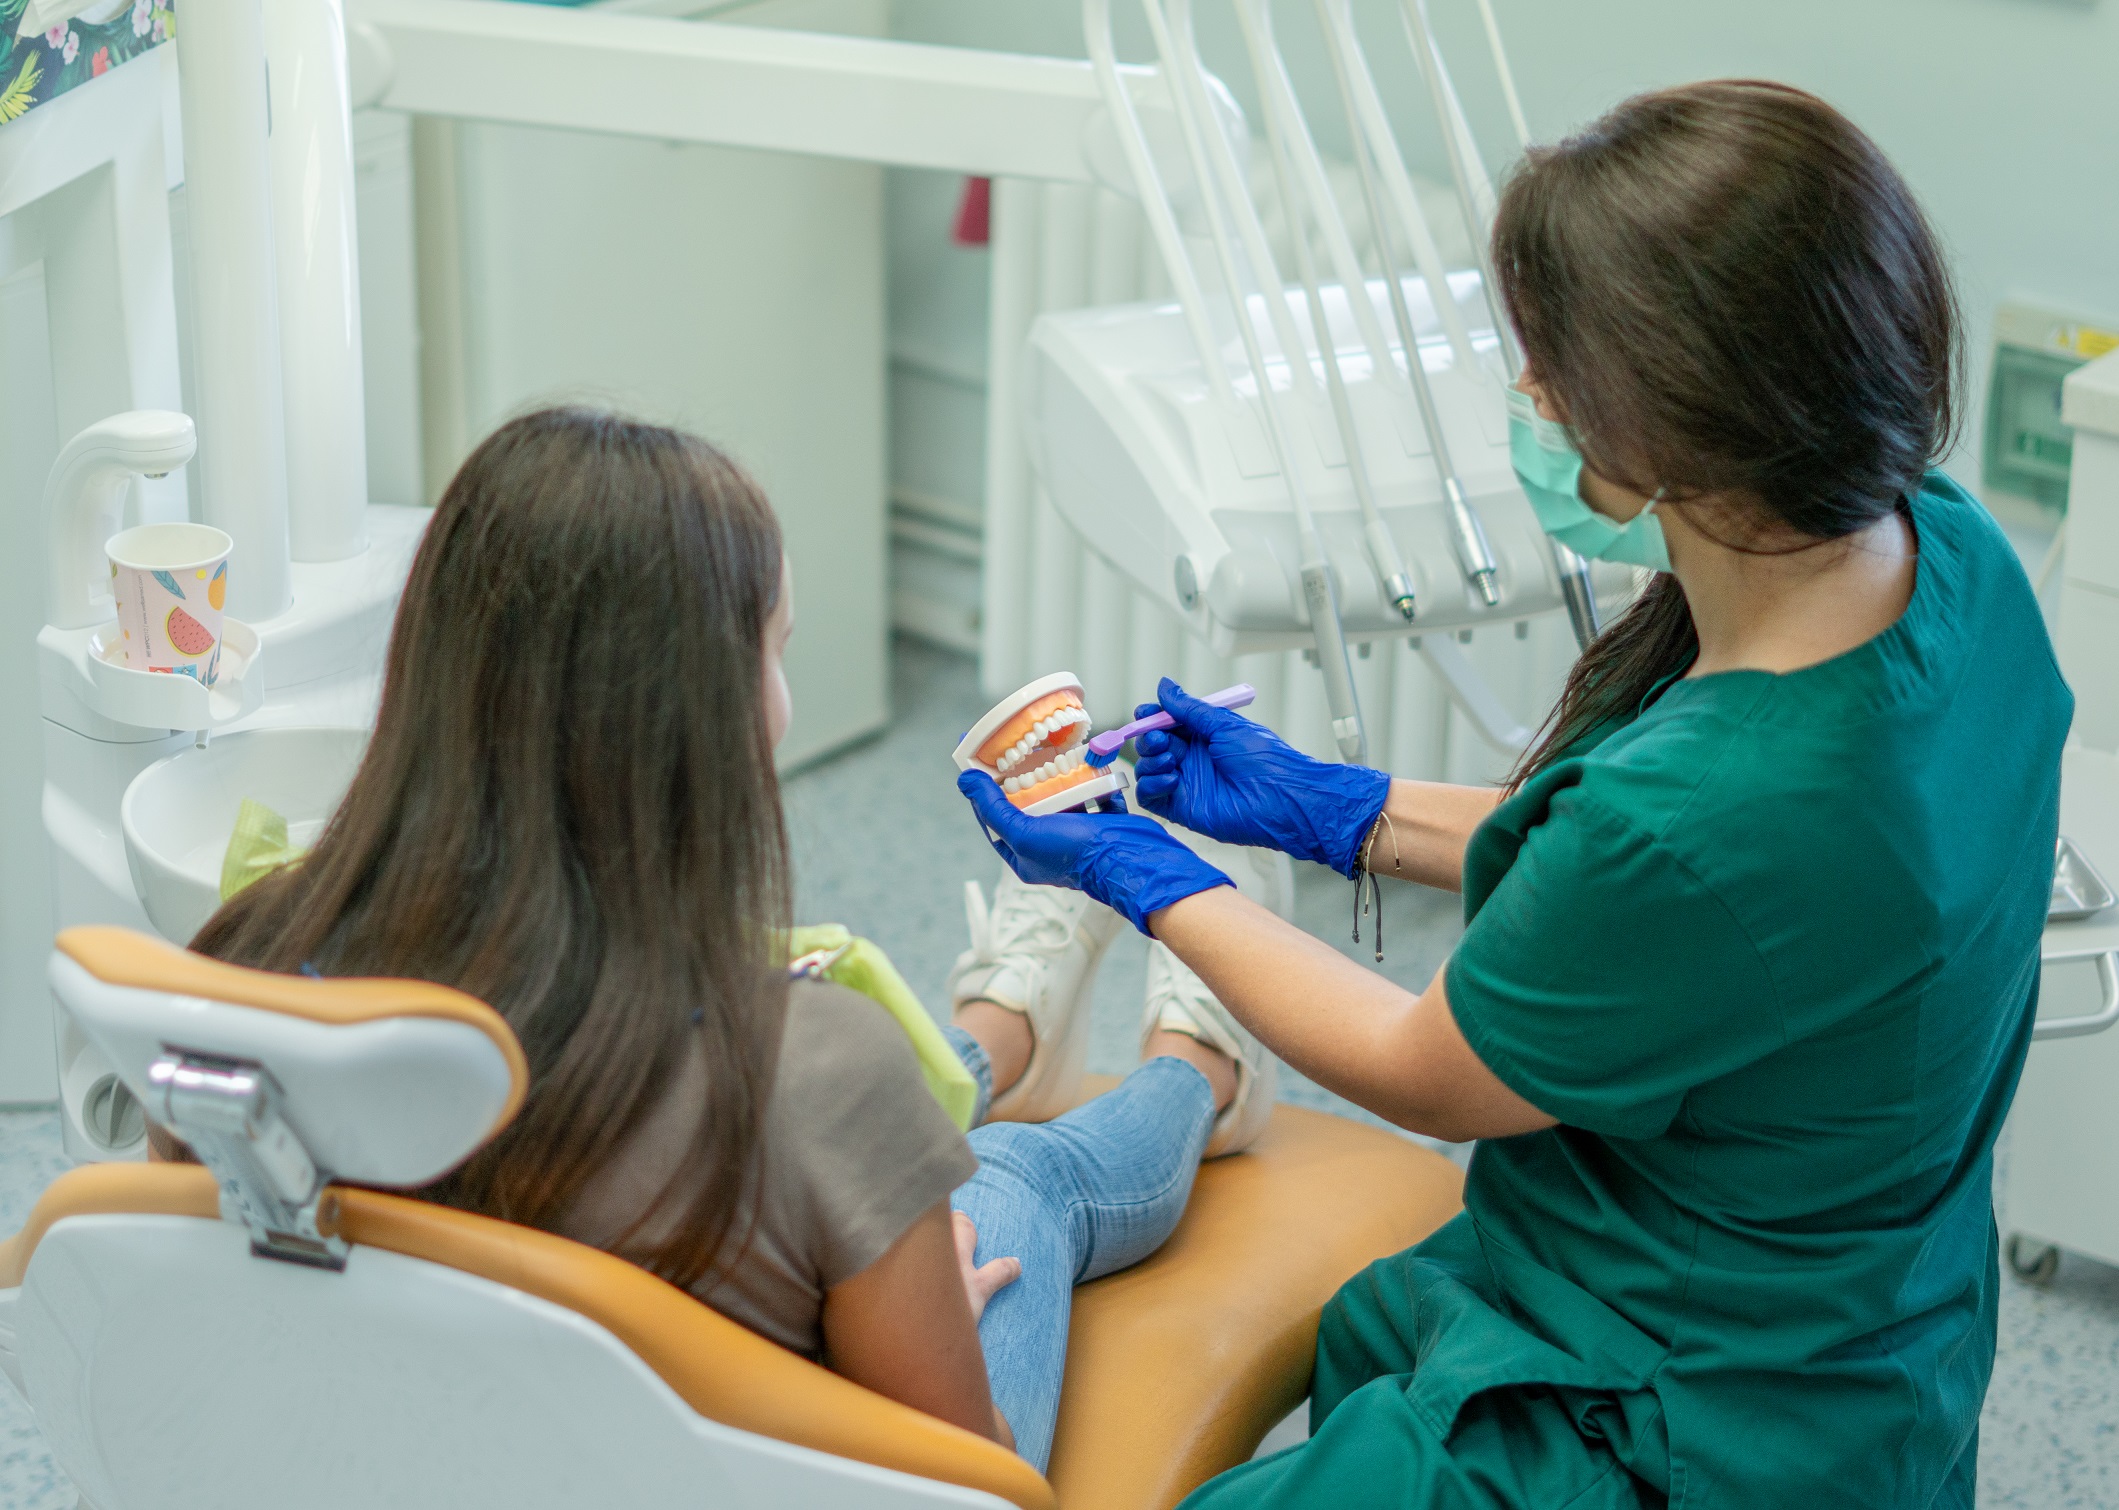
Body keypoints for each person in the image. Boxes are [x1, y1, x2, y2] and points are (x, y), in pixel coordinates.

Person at [957, 81, 2071, 1507]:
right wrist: (1337, 807)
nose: (1530, 399)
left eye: (1544, 369)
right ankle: (1191, 1069)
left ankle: (1165, 1062)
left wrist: (1148, 875)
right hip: (1854, 1331)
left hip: (1669, 1417)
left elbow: (1430, 1058)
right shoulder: (1951, 560)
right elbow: (1693, 910)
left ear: (1670, 416)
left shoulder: (1695, 818)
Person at [180, 405, 1283, 1472]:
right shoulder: (811, 1067)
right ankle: (1201, 1065)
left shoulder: (237, 978)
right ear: (701, 715)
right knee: (1007, 1173)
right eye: (775, 651)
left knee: (874, 1129)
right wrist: (929, 1297)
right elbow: (962, 1484)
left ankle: (1002, 1033)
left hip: (419, 1460)